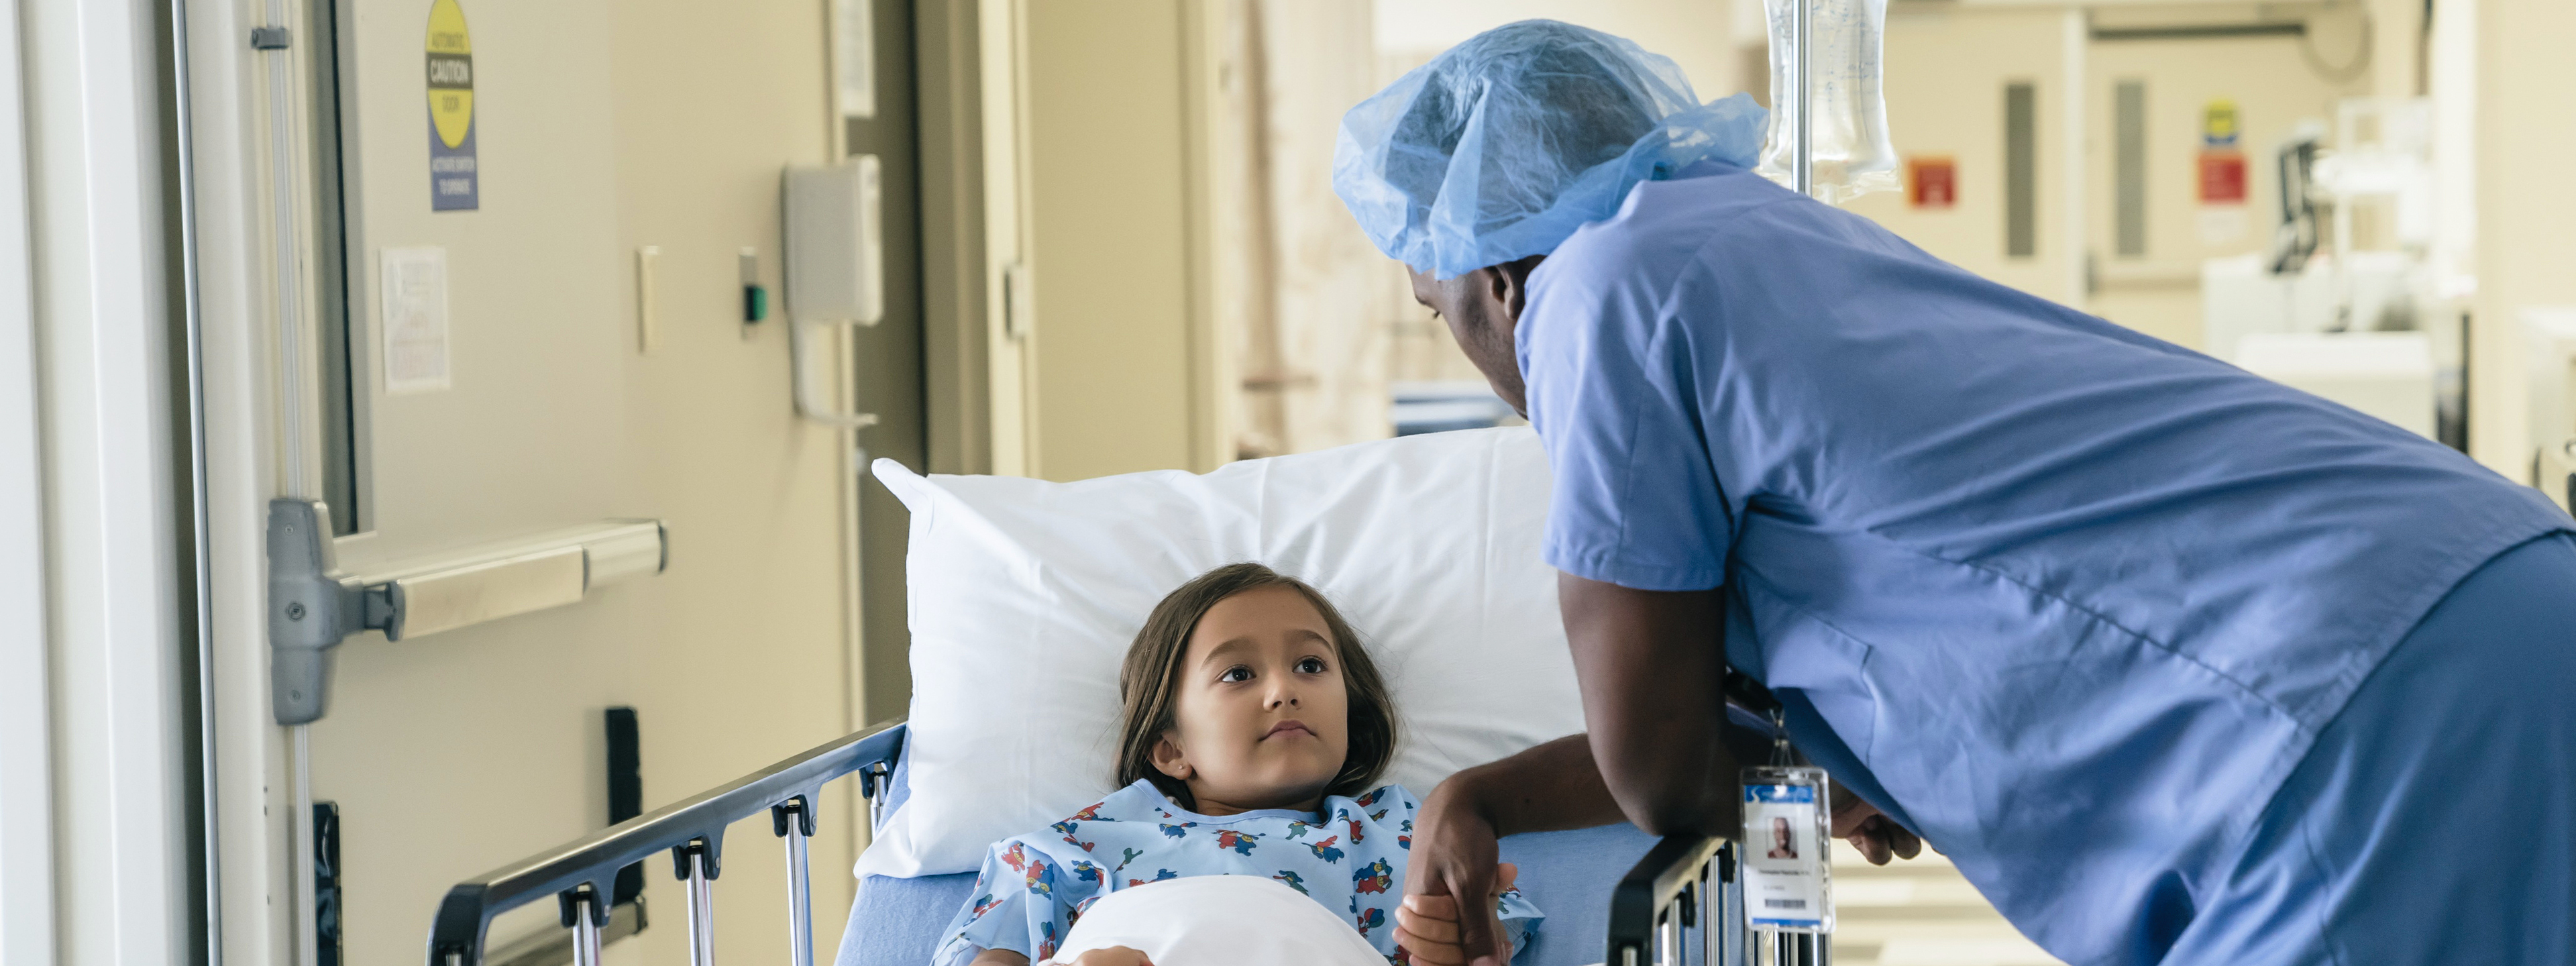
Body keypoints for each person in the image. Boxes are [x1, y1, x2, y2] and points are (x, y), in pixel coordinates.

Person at [1334, 19, 2576, 966]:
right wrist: (1478, 794)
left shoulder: (1596, 298)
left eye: (1437, 310)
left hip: (2328, 735)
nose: (1483, 360)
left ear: (1496, 276)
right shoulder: (1758, 234)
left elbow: (1660, 763)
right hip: (2495, 592)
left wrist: (1842, 775)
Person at [932, 563, 1540, 966]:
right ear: (1172, 749)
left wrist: (1458, 940)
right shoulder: (1091, 841)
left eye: (1311, 666)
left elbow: (1485, 937)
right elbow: (989, 946)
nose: (1284, 690)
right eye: (1238, 674)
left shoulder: (1390, 829)